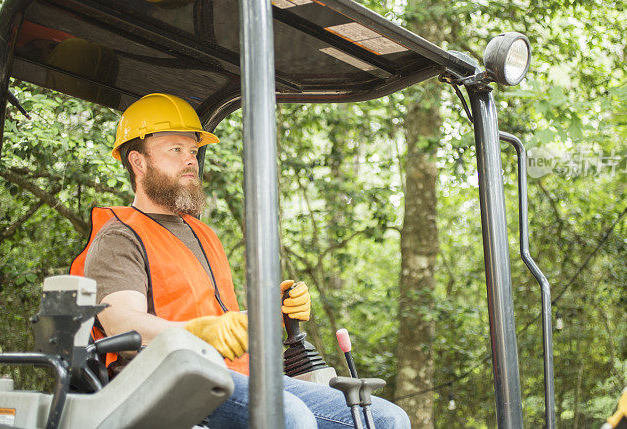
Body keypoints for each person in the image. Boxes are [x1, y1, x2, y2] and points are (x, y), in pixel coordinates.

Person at [70, 93, 410, 428]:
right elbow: (120, 322)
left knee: (385, 418)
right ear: (138, 162)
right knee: (290, 417)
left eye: (192, 150)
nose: (190, 160)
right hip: (169, 379)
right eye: (175, 150)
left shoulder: (203, 234)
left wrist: (273, 311)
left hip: (233, 374)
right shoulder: (119, 236)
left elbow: (218, 319)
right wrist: (201, 334)